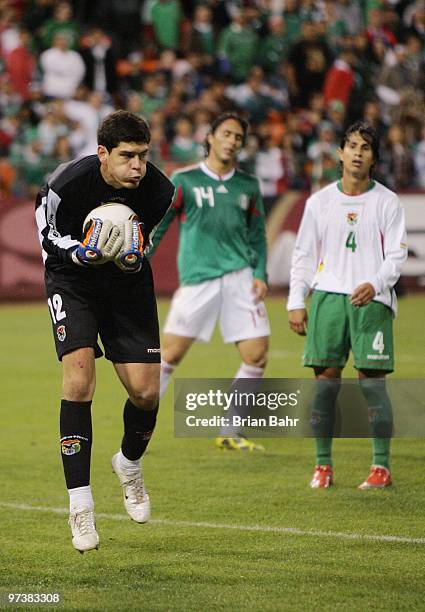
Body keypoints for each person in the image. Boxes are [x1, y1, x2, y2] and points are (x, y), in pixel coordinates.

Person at [35, 110, 175, 552]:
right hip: (72, 278)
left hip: (125, 283)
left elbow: (144, 240)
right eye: (127, 156)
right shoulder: (66, 184)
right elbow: (46, 235)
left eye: (143, 156)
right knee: (78, 382)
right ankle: (80, 508)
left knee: (146, 394)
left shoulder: (159, 190)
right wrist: (80, 253)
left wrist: (133, 254)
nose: (138, 166)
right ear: (102, 154)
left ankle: (129, 464)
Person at [287, 121, 407, 489]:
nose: (357, 152)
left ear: (373, 157)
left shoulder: (387, 201)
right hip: (327, 297)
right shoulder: (320, 202)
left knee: (372, 384)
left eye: (365, 147)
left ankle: (381, 467)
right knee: (325, 384)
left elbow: (397, 254)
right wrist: (296, 299)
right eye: (351, 145)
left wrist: (377, 283)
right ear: (340, 153)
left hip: (372, 301)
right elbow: (304, 254)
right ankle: (323, 466)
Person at [150, 112, 270, 451]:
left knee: (256, 355)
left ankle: (230, 430)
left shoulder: (248, 185)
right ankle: (140, 423)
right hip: (198, 279)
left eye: (238, 137)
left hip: (239, 277)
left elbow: (258, 236)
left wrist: (260, 273)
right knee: (169, 355)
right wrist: (141, 258)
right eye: (227, 133)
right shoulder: (184, 180)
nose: (232, 141)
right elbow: (160, 225)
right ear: (210, 137)